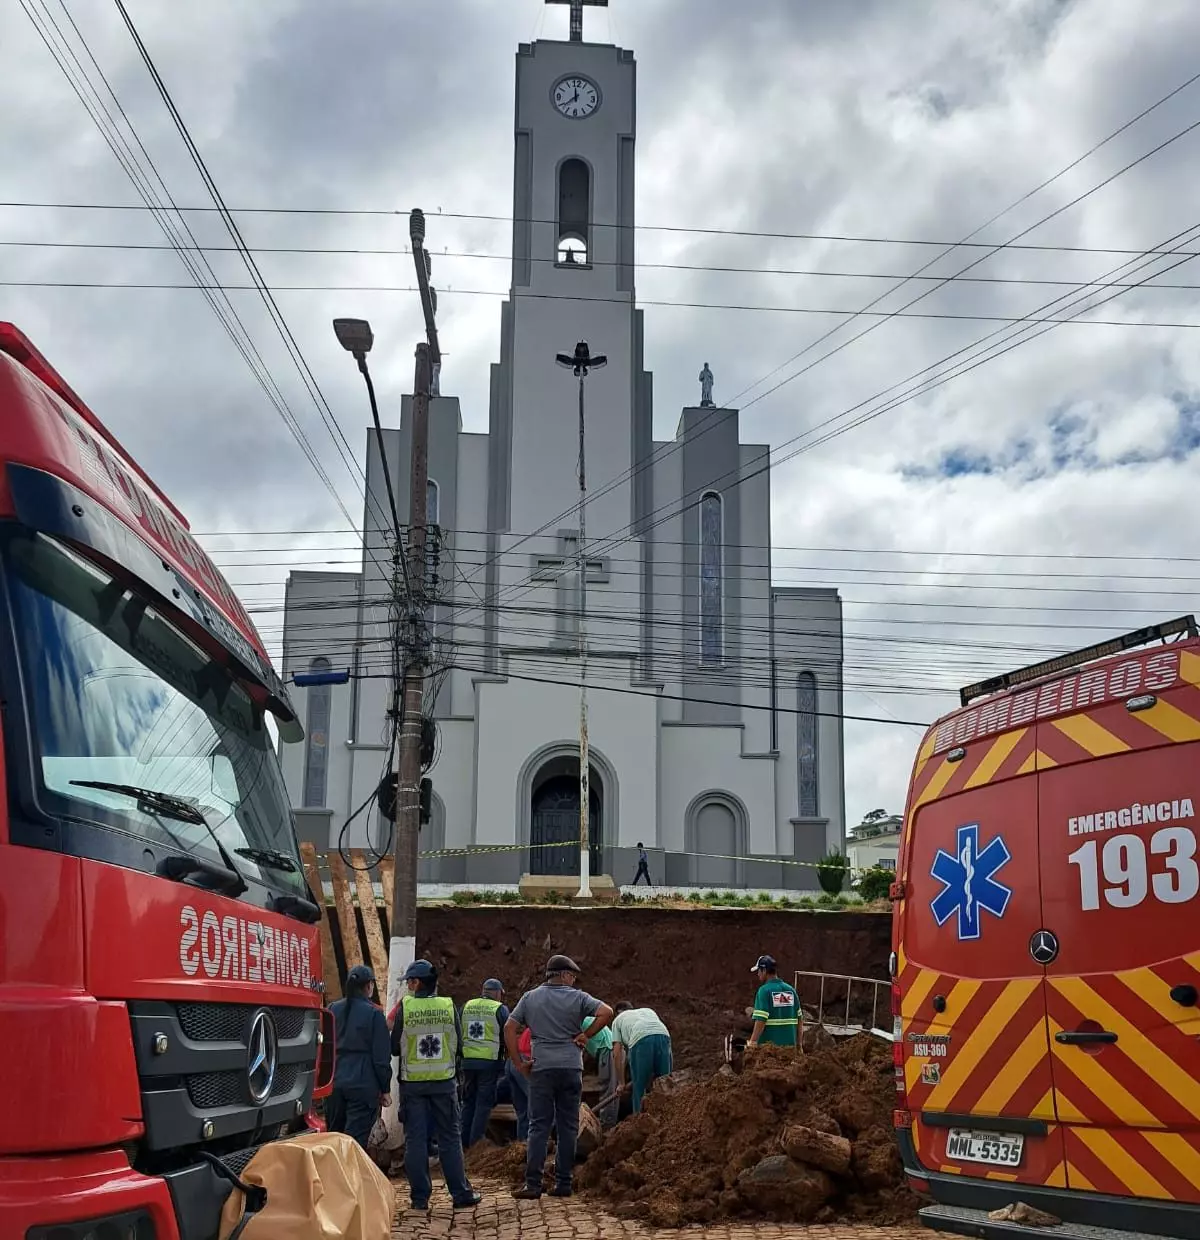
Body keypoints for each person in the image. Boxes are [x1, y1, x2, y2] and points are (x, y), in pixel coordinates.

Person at [505, 954, 614, 1199]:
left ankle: (533, 1185)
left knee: (539, 1126)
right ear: (564, 975)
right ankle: (564, 1183)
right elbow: (606, 1012)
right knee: (568, 1126)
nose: (574, 981)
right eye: (572, 977)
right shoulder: (578, 997)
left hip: (542, 1068)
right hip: (570, 1068)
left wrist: (519, 1063)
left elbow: (509, 1028)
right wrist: (585, 1035)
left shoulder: (530, 998)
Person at [390, 959, 481, 1211]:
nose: (407, 985)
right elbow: (460, 1046)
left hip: (413, 1085)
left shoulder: (405, 1008)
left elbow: (394, 1047)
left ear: (417, 982)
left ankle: (420, 1199)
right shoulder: (449, 1006)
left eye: (409, 981)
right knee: (450, 1138)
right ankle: (460, 1194)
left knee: (416, 1140)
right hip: (444, 1082)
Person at [325, 964, 391, 1149]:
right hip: (363, 1085)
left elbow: (325, 1048)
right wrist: (385, 1089)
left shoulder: (332, 1008)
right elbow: (381, 1058)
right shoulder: (374, 1014)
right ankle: (349, 1177)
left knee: (333, 1140)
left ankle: (332, 1177)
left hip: (335, 1083)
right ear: (369, 985)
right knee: (354, 1145)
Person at [460, 978, 510, 1148]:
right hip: (489, 1063)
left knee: (468, 1102)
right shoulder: (499, 1009)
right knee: (483, 1104)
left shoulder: (467, 1006)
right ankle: (476, 1145)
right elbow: (508, 1034)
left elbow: (458, 1031)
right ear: (497, 993)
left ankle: (462, 1143)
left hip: (467, 1063)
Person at [610, 1002, 672, 1113]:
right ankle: (668, 1119)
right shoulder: (648, 1010)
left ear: (617, 1014)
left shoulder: (617, 1021)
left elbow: (617, 1053)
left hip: (640, 1039)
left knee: (639, 1088)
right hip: (664, 1035)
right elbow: (655, 1036)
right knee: (665, 1083)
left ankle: (638, 1121)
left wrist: (621, 1083)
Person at [747, 954, 799, 1049]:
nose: (758, 974)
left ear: (764, 970)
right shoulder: (791, 991)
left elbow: (761, 1020)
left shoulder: (764, 991)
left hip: (769, 1051)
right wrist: (799, 1045)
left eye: (759, 971)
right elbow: (800, 1019)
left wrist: (752, 1042)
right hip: (790, 1050)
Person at [581, 1012, 619, 1127]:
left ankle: (606, 1124)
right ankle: (608, 1121)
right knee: (610, 1087)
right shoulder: (587, 1019)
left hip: (608, 1050)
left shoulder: (575, 1022)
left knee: (608, 1088)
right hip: (610, 1048)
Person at [505, 1025, 533, 1141]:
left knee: (523, 1111)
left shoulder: (533, 1025)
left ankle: (522, 1146)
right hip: (525, 1062)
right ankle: (535, 1145)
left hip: (512, 1062)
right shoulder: (546, 1025)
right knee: (539, 1106)